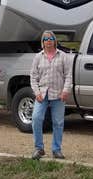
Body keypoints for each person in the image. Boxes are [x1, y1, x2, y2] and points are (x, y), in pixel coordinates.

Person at [29, 30, 73, 160]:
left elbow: (68, 75)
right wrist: (37, 92)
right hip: (42, 94)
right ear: (42, 42)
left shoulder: (63, 56)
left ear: (55, 41)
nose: (48, 41)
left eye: (51, 39)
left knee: (58, 122)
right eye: (46, 39)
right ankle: (39, 148)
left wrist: (65, 91)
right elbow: (33, 77)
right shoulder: (38, 57)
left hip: (58, 94)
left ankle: (56, 150)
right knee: (36, 118)